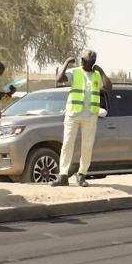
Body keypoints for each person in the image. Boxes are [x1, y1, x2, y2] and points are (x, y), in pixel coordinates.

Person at [50, 50, 112, 187]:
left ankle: (82, 174)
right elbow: (59, 78)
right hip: (73, 114)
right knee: (67, 144)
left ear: (93, 63)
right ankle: (63, 176)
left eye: (87, 61)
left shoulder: (96, 75)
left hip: (90, 116)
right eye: (83, 60)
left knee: (87, 146)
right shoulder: (75, 72)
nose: (84, 62)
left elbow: (109, 87)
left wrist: (101, 71)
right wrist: (66, 62)